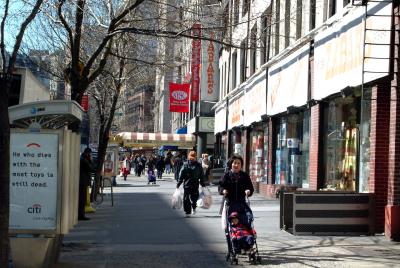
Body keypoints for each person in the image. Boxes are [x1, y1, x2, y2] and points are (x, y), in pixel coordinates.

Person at [176, 151, 206, 217]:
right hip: (187, 185)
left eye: (193, 158)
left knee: (194, 198)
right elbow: (181, 175)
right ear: (188, 157)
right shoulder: (185, 165)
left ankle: (194, 207)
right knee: (186, 199)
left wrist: (203, 185)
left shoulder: (198, 166)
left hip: (195, 185)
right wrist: (178, 184)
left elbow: (201, 176)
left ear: (195, 157)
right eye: (190, 157)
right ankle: (187, 212)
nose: (192, 159)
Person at [79, 148, 93, 221]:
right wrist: (90, 160)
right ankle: (81, 215)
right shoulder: (84, 160)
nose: (91, 155)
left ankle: (81, 214)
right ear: (87, 153)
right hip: (82, 182)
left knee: (82, 198)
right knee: (82, 199)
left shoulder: (82, 159)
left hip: (82, 181)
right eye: (90, 154)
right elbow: (91, 168)